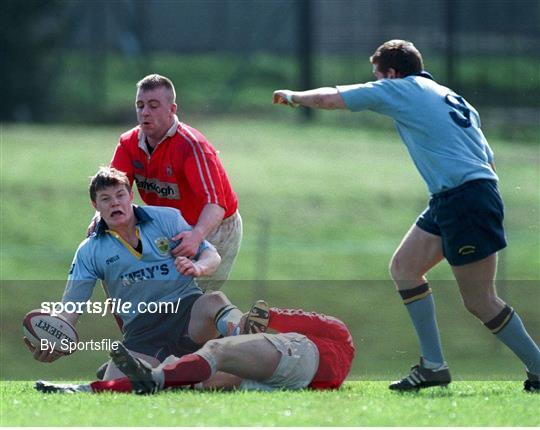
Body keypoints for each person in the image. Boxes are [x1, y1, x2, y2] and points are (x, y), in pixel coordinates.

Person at [272, 39, 540, 392]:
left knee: (480, 301)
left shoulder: (401, 89)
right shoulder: (450, 96)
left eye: (378, 76)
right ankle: (433, 366)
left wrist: (292, 96)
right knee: (404, 268)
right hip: (456, 197)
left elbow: (329, 99)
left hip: (465, 199)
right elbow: (487, 160)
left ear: (392, 74)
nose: (377, 82)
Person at [24, 167, 245, 380]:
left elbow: (211, 254)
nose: (115, 203)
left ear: (130, 195)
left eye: (120, 195)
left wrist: (199, 268)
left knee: (214, 301)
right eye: (106, 199)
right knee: (113, 386)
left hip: (188, 311)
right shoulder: (89, 251)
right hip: (143, 330)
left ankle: (245, 333)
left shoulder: (167, 219)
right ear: (95, 205)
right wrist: (54, 336)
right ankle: (170, 372)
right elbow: (72, 305)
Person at [93, 74, 242, 292]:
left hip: (212, 227)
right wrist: (99, 218)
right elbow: (111, 189)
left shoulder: (192, 146)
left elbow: (216, 206)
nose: (145, 112)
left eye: (154, 106)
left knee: (194, 305)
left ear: (172, 109)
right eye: (140, 105)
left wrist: (196, 236)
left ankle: (234, 324)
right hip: (167, 228)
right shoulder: (128, 143)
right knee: (142, 291)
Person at [35, 300, 356, 394]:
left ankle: (140, 378)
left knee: (217, 353)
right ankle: (91, 388)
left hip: (301, 354)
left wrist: (264, 316)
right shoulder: (338, 355)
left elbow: (269, 317)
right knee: (197, 379)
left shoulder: (336, 334)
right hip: (294, 379)